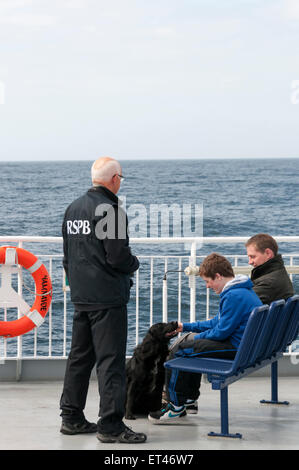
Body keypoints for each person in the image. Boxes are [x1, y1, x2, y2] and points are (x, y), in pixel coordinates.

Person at [60, 156, 147, 444]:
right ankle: (110, 425)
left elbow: (67, 256)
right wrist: (134, 263)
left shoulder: (73, 209)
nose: (120, 182)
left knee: (79, 359)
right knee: (110, 363)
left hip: (82, 296)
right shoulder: (110, 210)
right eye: (121, 178)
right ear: (114, 179)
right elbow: (117, 256)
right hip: (107, 298)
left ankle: (71, 417)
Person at [148, 253, 262, 424]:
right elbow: (217, 322)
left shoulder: (233, 296)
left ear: (218, 276)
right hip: (247, 346)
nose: (207, 286)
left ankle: (175, 406)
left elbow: (220, 332)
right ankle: (188, 399)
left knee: (181, 350)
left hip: (238, 348)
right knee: (190, 345)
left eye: (208, 281)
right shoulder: (242, 289)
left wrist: (196, 338)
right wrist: (186, 327)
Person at [245, 233, 294, 305]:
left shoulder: (268, 283)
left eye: (253, 257)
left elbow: (239, 302)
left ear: (268, 253)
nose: (250, 262)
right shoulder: (279, 273)